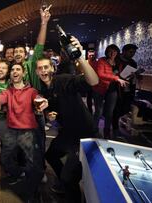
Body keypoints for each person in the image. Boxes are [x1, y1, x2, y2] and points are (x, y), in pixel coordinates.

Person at [35, 36, 99, 202]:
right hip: (67, 134)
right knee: (51, 156)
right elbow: (53, 116)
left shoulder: (64, 80)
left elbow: (93, 81)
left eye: (46, 67)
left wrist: (80, 58)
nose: (43, 70)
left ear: (52, 68)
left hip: (85, 134)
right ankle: (67, 184)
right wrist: (50, 116)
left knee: (68, 178)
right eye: (40, 68)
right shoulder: (44, 91)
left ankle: (70, 188)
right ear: (37, 72)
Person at [0, 63, 48, 202]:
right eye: (13, 69)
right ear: (11, 74)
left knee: (33, 164)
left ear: (23, 73)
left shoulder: (32, 91)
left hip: (28, 132)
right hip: (11, 131)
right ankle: (20, 173)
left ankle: (32, 192)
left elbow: (38, 99)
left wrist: (43, 102)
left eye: (18, 69)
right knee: (4, 159)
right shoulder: (7, 91)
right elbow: (0, 98)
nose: (15, 71)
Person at [92, 44, 128, 139]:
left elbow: (121, 76)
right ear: (107, 52)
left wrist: (129, 76)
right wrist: (116, 78)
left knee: (109, 113)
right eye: (110, 51)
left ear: (117, 52)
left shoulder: (118, 63)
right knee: (98, 112)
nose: (112, 53)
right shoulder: (102, 60)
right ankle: (93, 130)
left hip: (113, 90)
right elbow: (100, 74)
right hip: (99, 88)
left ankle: (106, 131)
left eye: (115, 51)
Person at [112, 44, 139, 137]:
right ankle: (115, 128)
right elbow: (112, 72)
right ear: (124, 51)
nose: (132, 54)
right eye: (131, 52)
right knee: (116, 108)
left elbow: (133, 75)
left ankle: (116, 121)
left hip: (128, 88)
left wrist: (135, 75)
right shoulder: (116, 59)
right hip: (116, 88)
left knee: (126, 108)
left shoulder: (133, 63)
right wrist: (119, 76)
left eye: (134, 52)